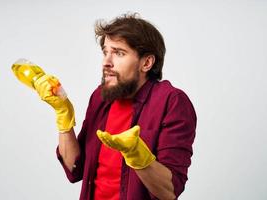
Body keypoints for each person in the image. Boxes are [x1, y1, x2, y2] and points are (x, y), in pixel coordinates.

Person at [34, 13, 196, 200]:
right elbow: (74, 170)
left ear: (146, 63)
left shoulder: (172, 102)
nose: (106, 62)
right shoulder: (101, 97)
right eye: (105, 52)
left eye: (119, 53)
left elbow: (169, 191)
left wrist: (137, 154)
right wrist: (63, 115)